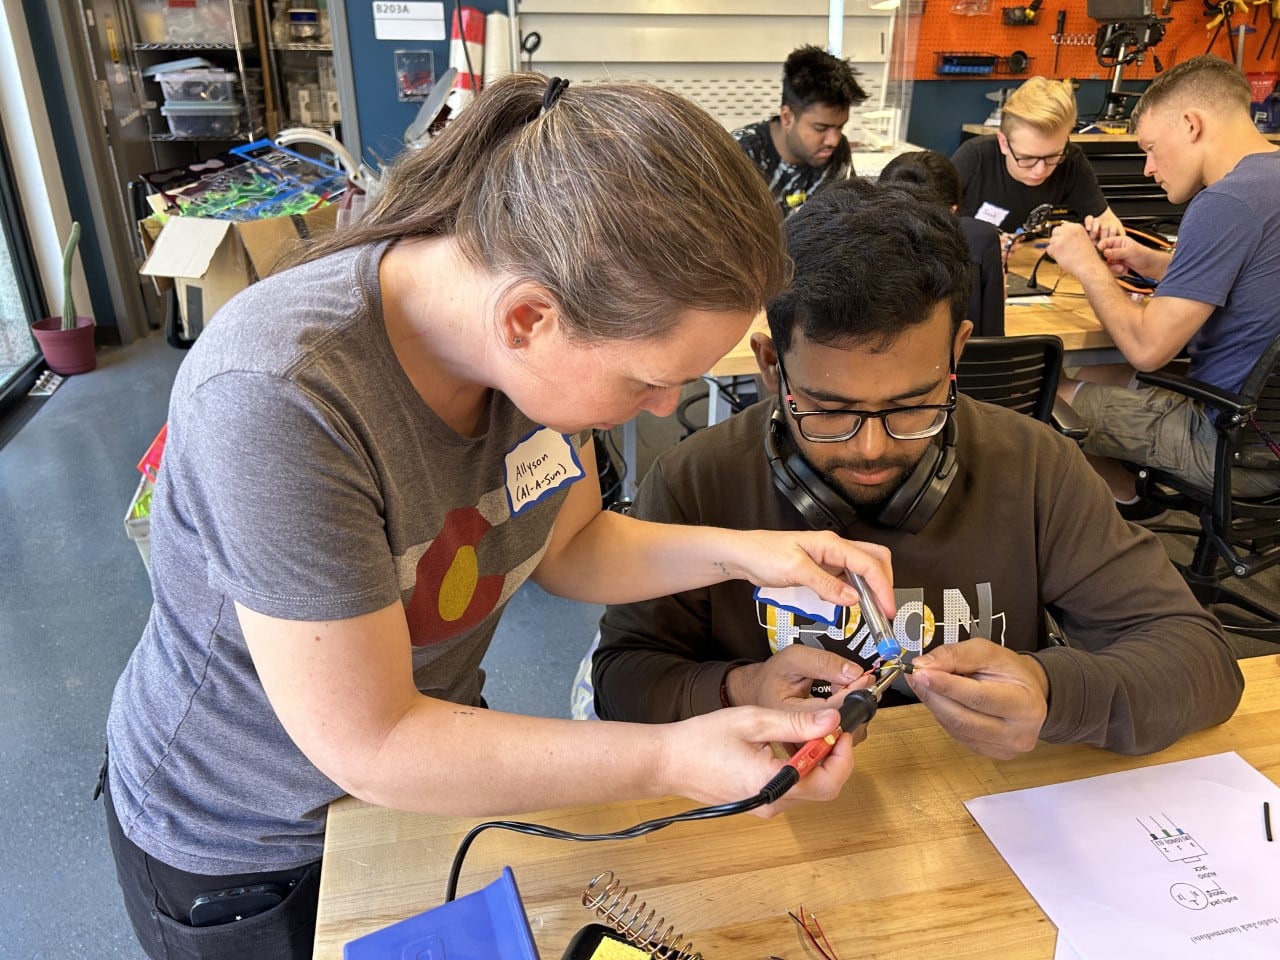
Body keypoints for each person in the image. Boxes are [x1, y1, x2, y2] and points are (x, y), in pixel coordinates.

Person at [101, 74, 896, 960]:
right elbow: (374, 739)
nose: (663, 405)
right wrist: (672, 756)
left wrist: (756, 555)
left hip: (426, 771)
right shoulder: (279, 395)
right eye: (647, 379)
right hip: (250, 842)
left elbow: (575, 544)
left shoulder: (529, 355)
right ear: (529, 318)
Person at [590, 178, 1243, 761]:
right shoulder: (696, 480)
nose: (871, 448)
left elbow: (1201, 661)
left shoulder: (1034, 465)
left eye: (911, 406)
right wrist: (739, 690)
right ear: (770, 366)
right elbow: (623, 682)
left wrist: (1052, 691)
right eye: (828, 409)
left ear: (957, 349)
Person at [1046, 56, 1280, 515]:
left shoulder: (1223, 202)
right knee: (1094, 376)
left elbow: (1148, 349)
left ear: (1192, 124)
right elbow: (1253, 276)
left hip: (1230, 445)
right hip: (1263, 432)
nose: (1148, 168)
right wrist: (1152, 262)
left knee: (1040, 394)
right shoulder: (1266, 184)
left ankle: (1129, 508)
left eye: (1151, 147)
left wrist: (1086, 264)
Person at [951, 76, 1123, 240]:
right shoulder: (974, 158)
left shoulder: (1072, 160)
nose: (1040, 171)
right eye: (1027, 158)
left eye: (1053, 156)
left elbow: (1107, 220)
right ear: (1004, 143)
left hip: (1024, 255)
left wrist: (1107, 236)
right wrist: (977, 245)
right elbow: (929, 228)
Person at [731, 44, 868, 217]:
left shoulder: (838, 151)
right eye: (821, 128)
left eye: (840, 126)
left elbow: (843, 221)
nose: (833, 140)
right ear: (787, 117)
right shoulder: (740, 153)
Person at [880, 149, 1005, 336]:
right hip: (963, 363)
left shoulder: (857, 243)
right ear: (953, 208)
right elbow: (993, 337)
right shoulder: (979, 239)